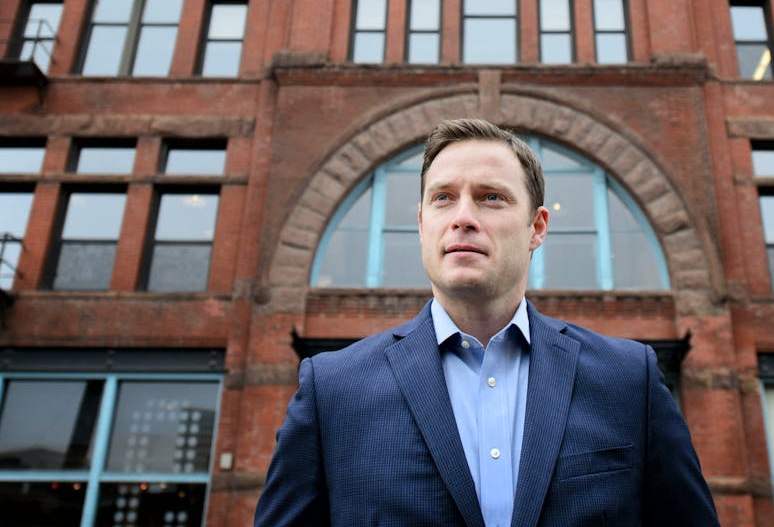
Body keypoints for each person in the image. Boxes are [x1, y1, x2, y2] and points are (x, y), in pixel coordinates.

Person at [255, 118, 720, 527]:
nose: (462, 218)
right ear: (421, 224)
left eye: (491, 197)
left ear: (537, 227)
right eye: (443, 198)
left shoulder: (627, 380)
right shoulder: (332, 390)